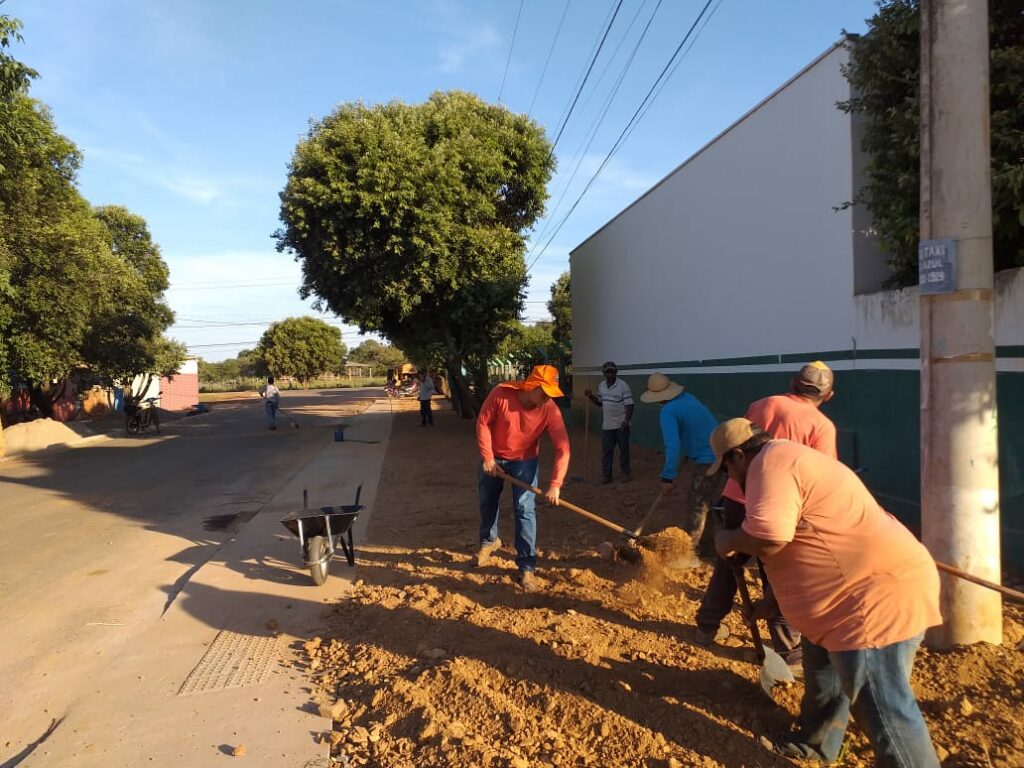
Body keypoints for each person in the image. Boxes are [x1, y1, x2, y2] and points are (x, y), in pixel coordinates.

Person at [710, 418, 942, 767]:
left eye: (727, 469)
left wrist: (727, 539)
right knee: (822, 676)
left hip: (868, 602)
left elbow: (771, 537)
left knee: (884, 711)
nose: (731, 479)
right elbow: (807, 535)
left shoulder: (768, 465)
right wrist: (772, 603)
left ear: (739, 456)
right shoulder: (785, 459)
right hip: (838, 604)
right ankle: (815, 743)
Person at [694, 361, 838, 667]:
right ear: (828, 396)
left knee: (729, 561)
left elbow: (737, 443)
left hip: (737, 497)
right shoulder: (821, 426)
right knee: (781, 573)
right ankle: (788, 652)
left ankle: (708, 625)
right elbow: (822, 477)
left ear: (792, 383)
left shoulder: (762, 404)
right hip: (782, 508)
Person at [475, 365, 570, 592]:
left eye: (550, 394)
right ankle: (489, 541)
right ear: (531, 385)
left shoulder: (549, 409)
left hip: (525, 462)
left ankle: (527, 566)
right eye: (543, 392)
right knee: (487, 500)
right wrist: (488, 457)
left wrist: (555, 484)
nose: (546, 398)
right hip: (495, 459)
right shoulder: (501, 393)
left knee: (524, 509)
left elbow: (563, 448)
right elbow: (483, 423)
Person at [640, 372, 723, 560]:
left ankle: (689, 555)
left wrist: (667, 477)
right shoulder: (688, 398)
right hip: (720, 452)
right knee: (705, 503)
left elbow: (672, 446)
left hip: (707, 459)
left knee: (697, 505)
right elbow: (699, 427)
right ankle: (708, 548)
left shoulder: (668, 411)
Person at [584, 361, 634, 484]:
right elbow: (601, 403)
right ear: (604, 373)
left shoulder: (623, 385)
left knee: (624, 450)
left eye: (612, 371)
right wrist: (591, 396)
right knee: (607, 451)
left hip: (621, 424)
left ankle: (625, 473)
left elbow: (630, 405)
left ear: (616, 372)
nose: (610, 374)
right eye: (608, 372)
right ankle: (607, 475)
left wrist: (626, 421)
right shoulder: (601, 386)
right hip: (607, 425)